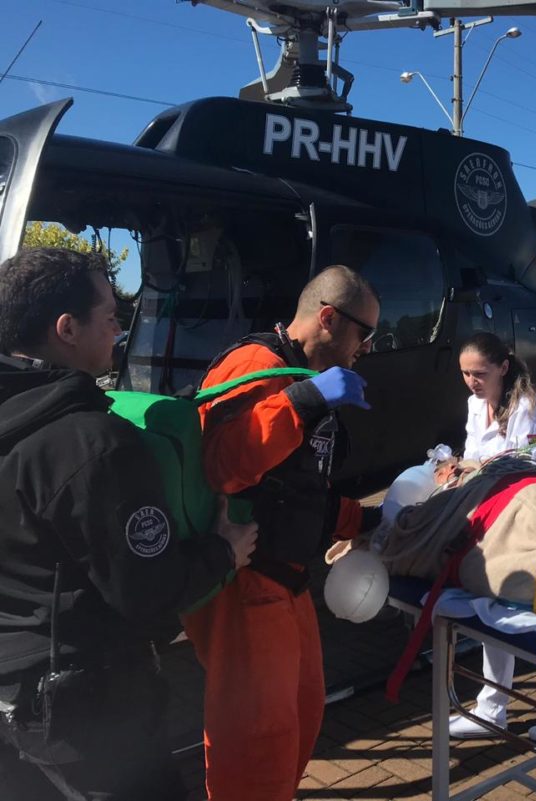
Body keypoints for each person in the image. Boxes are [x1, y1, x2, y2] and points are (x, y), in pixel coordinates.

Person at [0, 248, 257, 801]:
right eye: (111, 316)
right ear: (67, 329)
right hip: (88, 710)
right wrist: (224, 552)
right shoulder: (97, 444)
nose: (119, 330)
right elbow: (149, 593)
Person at [181, 265, 380, 801]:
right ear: (328, 318)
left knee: (301, 714)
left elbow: (299, 489)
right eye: (364, 334)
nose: (366, 349)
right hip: (247, 583)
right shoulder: (256, 366)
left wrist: (369, 521)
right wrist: (304, 401)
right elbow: (223, 465)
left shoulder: (303, 377)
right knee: (256, 743)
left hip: (287, 580)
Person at [449, 331, 536, 744]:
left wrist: (472, 468)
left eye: (480, 373)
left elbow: (523, 467)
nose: (472, 382)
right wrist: (457, 467)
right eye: (465, 373)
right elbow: (475, 456)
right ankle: (491, 707)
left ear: (503, 367)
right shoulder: (475, 406)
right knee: (494, 608)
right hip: (494, 515)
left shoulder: (528, 409)